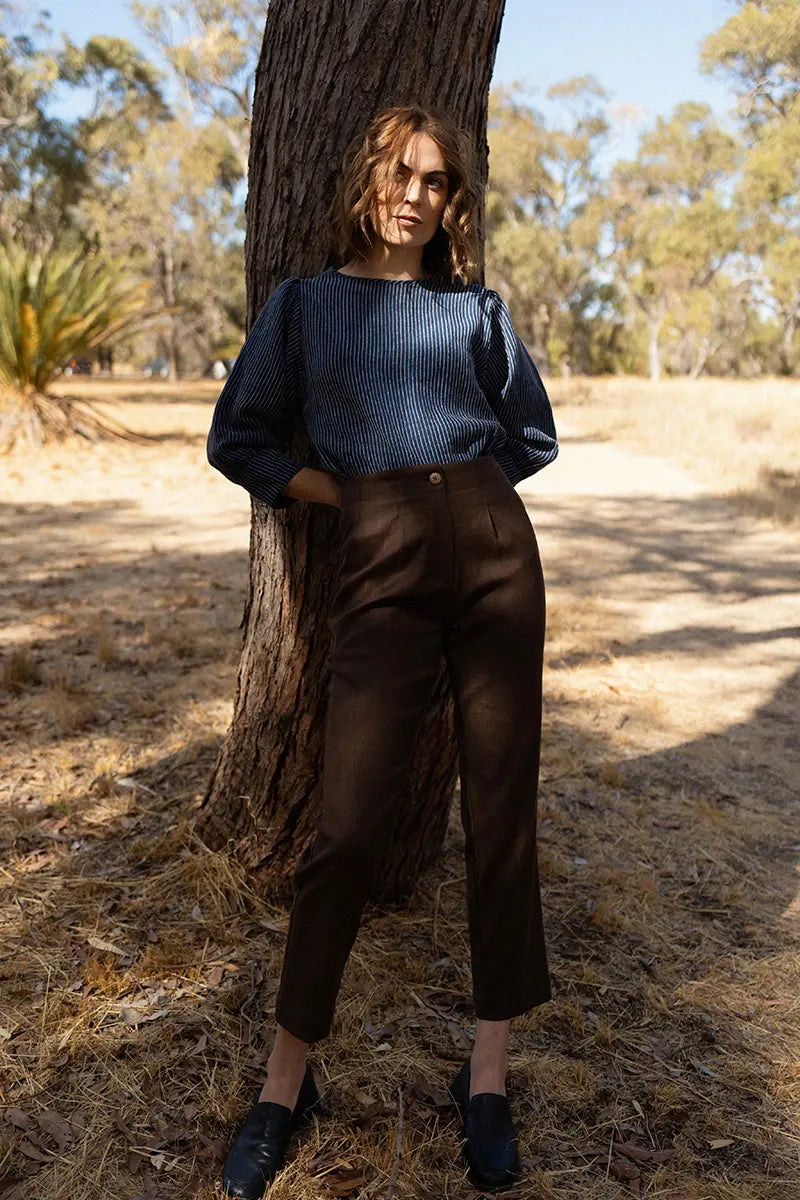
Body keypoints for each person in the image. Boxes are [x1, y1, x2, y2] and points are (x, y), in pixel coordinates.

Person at [207, 103, 559, 1198]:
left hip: (495, 553)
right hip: (382, 558)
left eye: (439, 181)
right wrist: (356, 498)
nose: (417, 194)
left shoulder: (475, 311)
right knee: (346, 828)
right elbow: (240, 440)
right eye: (401, 173)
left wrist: (466, 499)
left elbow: (530, 437)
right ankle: (283, 1088)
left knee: (499, 815)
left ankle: (486, 1078)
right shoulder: (305, 309)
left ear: (454, 202)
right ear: (365, 179)